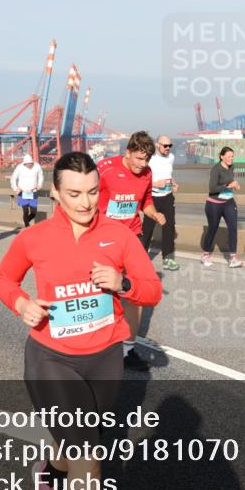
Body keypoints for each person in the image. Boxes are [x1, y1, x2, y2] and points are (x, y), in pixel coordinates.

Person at [0, 152, 162, 490]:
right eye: (74, 194)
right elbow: (4, 278)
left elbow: (152, 290)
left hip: (104, 359)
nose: (85, 203)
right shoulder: (33, 237)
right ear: (54, 193)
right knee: (88, 458)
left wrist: (123, 285)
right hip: (51, 359)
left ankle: (50, 470)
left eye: (92, 192)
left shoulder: (118, 235)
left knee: (76, 442)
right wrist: (22, 304)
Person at [97, 131, 167, 372]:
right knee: (103, 291)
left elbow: (146, 201)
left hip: (132, 236)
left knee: (133, 293)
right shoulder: (105, 168)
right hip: (103, 237)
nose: (143, 165)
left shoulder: (147, 173)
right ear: (127, 153)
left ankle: (127, 351)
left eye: (146, 160)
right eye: (138, 159)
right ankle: (99, 344)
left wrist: (153, 213)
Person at [140, 134, 179, 270]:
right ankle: (141, 257)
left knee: (169, 227)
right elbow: (142, 179)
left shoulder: (171, 158)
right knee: (147, 228)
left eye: (170, 145)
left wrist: (173, 182)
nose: (168, 148)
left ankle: (168, 258)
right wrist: (156, 184)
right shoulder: (150, 160)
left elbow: (168, 174)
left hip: (168, 197)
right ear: (157, 145)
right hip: (153, 198)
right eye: (165, 145)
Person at [201, 146, 242, 268]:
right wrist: (229, 185)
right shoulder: (216, 169)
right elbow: (212, 188)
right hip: (214, 204)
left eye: (232, 156)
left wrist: (236, 185)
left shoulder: (231, 167)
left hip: (229, 202)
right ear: (221, 156)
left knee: (233, 228)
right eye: (228, 156)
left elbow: (230, 181)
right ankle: (205, 255)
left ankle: (233, 258)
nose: (231, 159)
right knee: (213, 229)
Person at [10, 153, 43, 228]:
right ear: (24, 163)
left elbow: (41, 176)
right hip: (22, 192)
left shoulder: (37, 166)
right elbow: (13, 178)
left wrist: (39, 184)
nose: (29, 165)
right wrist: (15, 188)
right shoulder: (19, 167)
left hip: (33, 192)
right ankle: (27, 227)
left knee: (34, 212)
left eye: (31, 164)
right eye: (27, 164)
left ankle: (26, 221)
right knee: (25, 211)